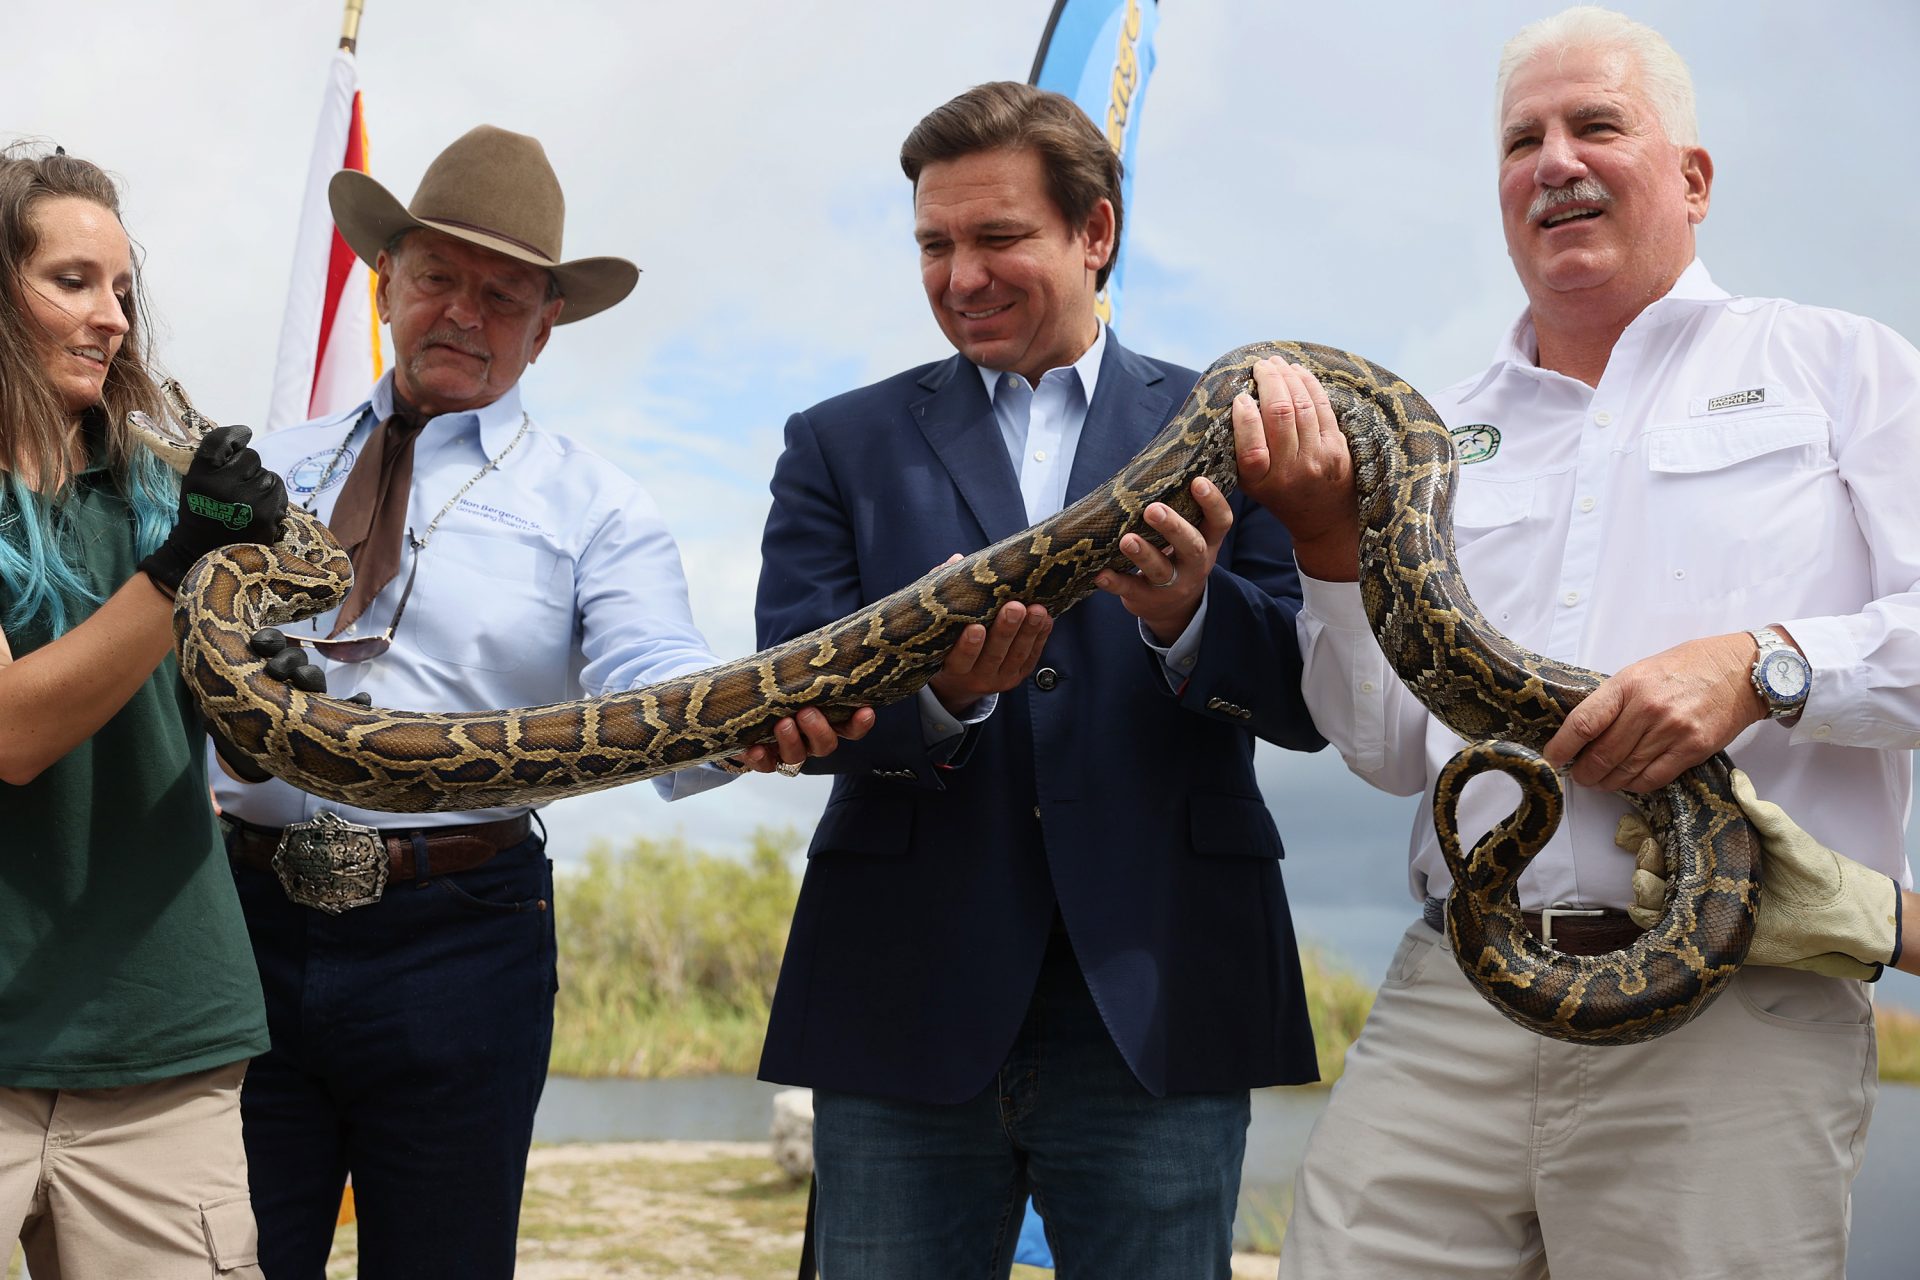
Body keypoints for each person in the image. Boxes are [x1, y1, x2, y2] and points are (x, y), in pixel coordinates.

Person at [1231, 7, 1920, 1278]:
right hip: (1459, 988)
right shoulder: (1437, 430)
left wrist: (1766, 668)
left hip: (1741, 1007)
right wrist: (1330, 547)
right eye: (1521, 139)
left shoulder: (1843, 368)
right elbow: (1390, 752)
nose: (1554, 160)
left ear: (1694, 178)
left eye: (1596, 124)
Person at [213, 124, 870, 1280]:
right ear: (386, 283)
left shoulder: (597, 504)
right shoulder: (272, 464)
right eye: (437, 279)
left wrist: (742, 726)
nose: (463, 312)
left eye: (502, 294)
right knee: (227, 1260)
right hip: (238, 921)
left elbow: (650, 676)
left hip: (460, 939)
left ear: (544, 325)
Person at [754, 82, 1325, 1278]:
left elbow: (1312, 693)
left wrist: (1189, 621)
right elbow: (786, 693)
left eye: (996, 238)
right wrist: (944, 700)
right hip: (900, 995)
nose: (960, 275)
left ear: (1095, 234)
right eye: (934, 243)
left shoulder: (1243, 421)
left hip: (1160, 993)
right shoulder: (833, 441)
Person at [0, 145, 288, 1278]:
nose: (113, 317)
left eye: (123, 288)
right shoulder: (181, 535)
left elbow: (169, 733)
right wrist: (181, 568)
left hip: (162, 1036)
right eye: (72, 281)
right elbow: (15, 735)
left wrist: (252, 688)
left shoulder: (165, 489)